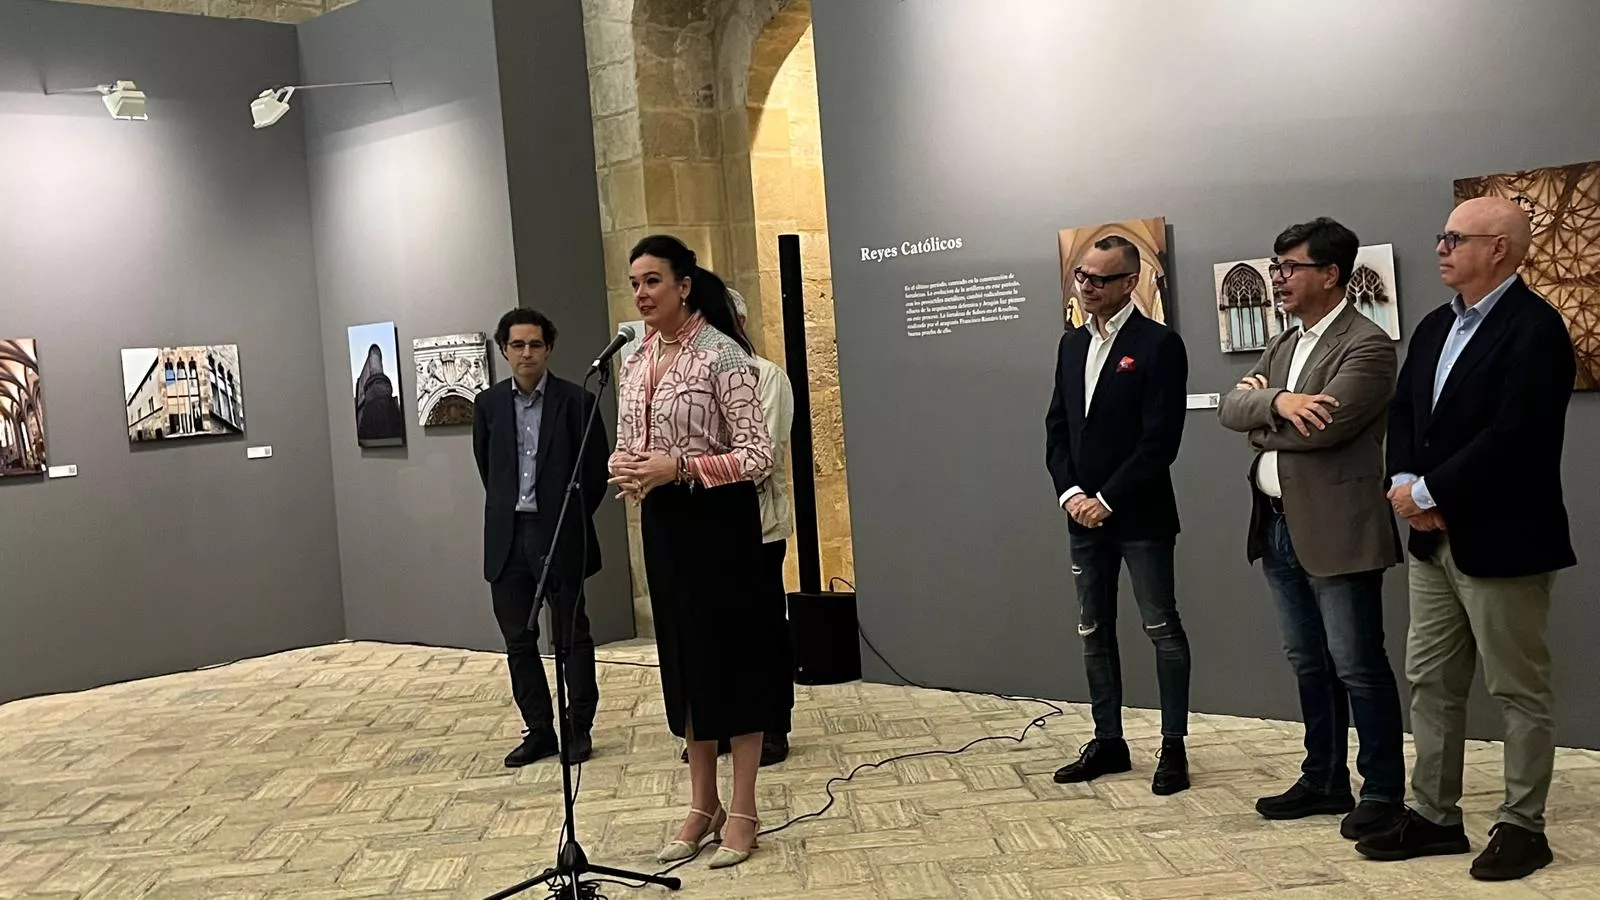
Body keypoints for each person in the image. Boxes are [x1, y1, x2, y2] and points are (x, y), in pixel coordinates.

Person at [1356, 197, 1576, 881]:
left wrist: (1426, 493)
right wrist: (1403, 482)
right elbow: (1405, 414)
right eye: (1442, 235)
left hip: (1505, 538)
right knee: (1431, 680)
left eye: (1455, 238)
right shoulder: (1432, 327)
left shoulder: (1536, 330)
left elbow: (1515, 437)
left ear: (1501, 249)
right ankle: (1434, 815)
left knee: (1517, 690)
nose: (1441, 248)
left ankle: (1522, 826)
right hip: (1433, 542)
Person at [1217, 218, 1407, 841]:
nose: (1278, 279)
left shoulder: (1368, 345)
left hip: (1339, 528)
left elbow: (1326, 428)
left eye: (1289, 268)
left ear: (1330, 273)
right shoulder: (1283, 343)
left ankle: (1381, 790)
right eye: (1274, 268)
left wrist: (1268, 407)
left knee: (1357, 663)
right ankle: (1323, 778)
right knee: (1307, 661)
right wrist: (1279, 402)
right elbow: (1230, 410)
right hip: (1274, 524)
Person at [609, 235, 780, 869]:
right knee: (682, 659)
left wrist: (678, 466)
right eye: (634, 283)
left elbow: (759, 456)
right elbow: (630, 441)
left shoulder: (722, 356)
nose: (641, 294)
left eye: (652, 281)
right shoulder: (634, 358)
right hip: (665, 523)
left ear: (684, 286)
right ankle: (699, 803)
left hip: (719, 523)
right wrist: (624, 467)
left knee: (730, 660)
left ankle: (744, 809)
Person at [1044, 234, 1192, 795]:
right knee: (1092, 630)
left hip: (1140, 515)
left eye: (1100, 279)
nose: (1087, 287)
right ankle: (1108, 741)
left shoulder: (1158, 345)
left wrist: (1106, 499)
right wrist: (1070, 495)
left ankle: (1172, 747)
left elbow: (1160, 441)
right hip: (1081, 517)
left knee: (1162, 629)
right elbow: (1057, 428)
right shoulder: (1070, 345)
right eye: (1081, 276)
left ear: (1130, 282)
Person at [473, 309, 609, 768]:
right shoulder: (488, 405)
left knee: (572, 636)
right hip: (508, 537)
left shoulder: (577, 403)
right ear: (504, 350)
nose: (526, 353)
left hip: (560, 533)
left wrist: (567, 518)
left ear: (549, 348)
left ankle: (578, 727)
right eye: (517, 345)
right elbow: (488, 469)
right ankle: (540, 730)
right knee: (518, 640)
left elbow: (594, 474)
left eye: (534, 344)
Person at [730, 287, 796, 767]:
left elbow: (758, 456)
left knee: (763, 628)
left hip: (758, 526)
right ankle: (724, 724)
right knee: (720, 631)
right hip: (707, 528)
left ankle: (773, 724)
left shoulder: (766, 377)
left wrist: (690, 468)